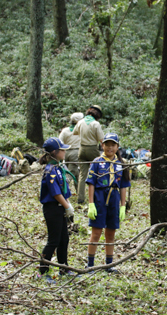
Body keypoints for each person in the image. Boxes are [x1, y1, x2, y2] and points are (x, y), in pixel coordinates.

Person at [85, 133, 130, 273]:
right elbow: (91, 183)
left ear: (117, 147)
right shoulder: (97, 162)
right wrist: (91, 203)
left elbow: (123, 186)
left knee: (110, 233)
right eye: (107, 144)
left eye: (113, 145)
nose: (110, 148)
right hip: (99, 197)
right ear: (102, 145)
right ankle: (90, 265)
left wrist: (123, 205)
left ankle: (108, 265)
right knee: (96, 232)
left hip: (114, 199)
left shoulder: (121, 164)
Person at [38, 138, 76, 283]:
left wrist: (67, 205)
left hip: (60, 207)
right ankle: (42, 272)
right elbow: (55, 193)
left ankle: (63, 268)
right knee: (53, 241)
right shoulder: (50, 171)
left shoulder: (58, 168)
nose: (65, 152)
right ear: (55, 152)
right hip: (52, 208)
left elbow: (63, 190)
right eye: (62, 150)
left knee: (64, 239)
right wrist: (67, 206)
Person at [74, 105, 105, 204]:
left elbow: (75, 132)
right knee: (98, 172)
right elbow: (101, 140)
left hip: (82, 149)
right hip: (92, 149)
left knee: (82, 174)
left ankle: (80, 198)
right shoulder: (96, 124)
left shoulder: (80, 122)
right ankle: (98, 195)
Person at [59, 112, 84, 193]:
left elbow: (60, 142)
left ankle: (78, 191)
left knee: (74, 172)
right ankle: (62, 188)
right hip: (75, 152)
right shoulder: (81, 130)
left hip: (65, 152)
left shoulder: (65, 130)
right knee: (71, 173)